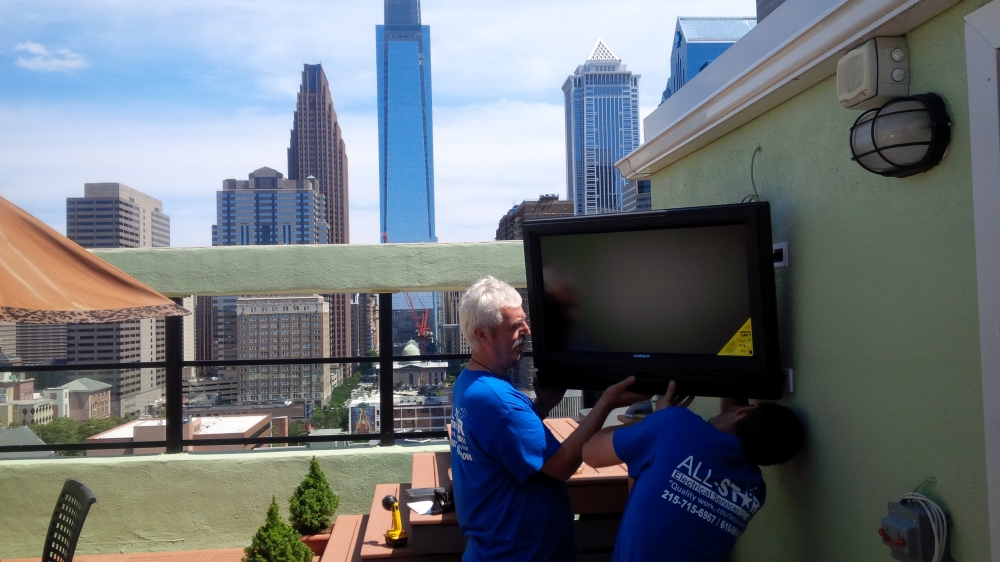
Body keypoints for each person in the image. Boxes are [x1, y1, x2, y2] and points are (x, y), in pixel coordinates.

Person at [450, 276, 648, 562]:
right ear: (481, 335)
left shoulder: (469, 384)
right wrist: (605, 403)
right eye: (515, 327)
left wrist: (542, 404)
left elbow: (505, 442)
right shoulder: (498, 400)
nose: (527, 331)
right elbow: (561, 465)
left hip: (493, 549)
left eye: (524, 321)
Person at [582, 381, 805, 562]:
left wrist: (653, 420)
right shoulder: (754, 491)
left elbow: (590, 452)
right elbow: (735, 431)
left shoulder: (674, 425)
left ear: (746, 409)